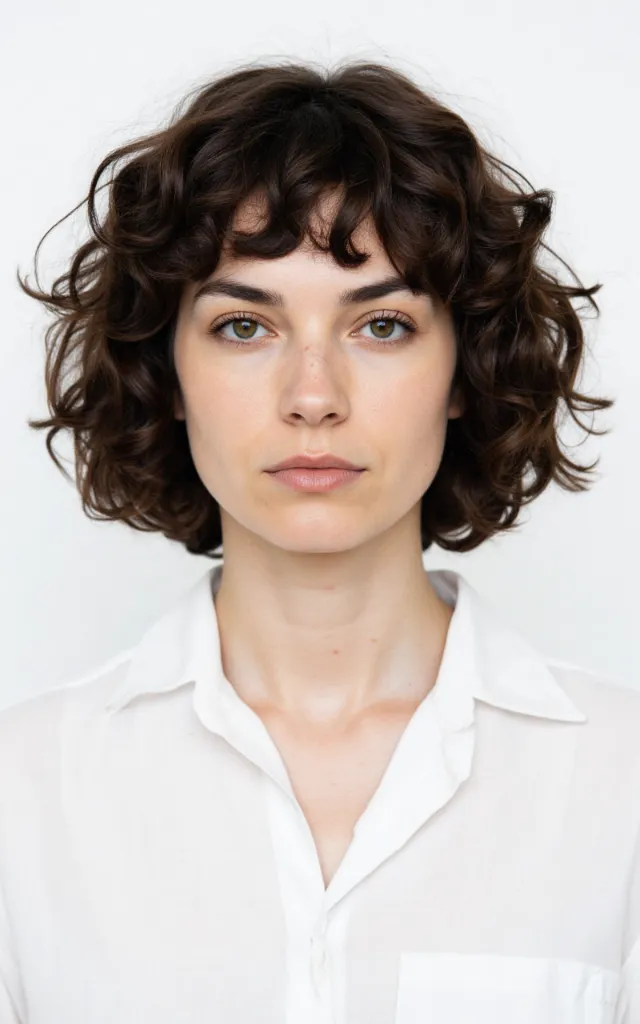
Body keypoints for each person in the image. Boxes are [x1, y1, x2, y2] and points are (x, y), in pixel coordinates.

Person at [2, 57, 638, 1024]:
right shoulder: (24, 793)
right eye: (244, 327)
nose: (313, 396)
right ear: (166, 371)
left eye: (381, 325)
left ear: (463, 368)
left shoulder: (619, 784)